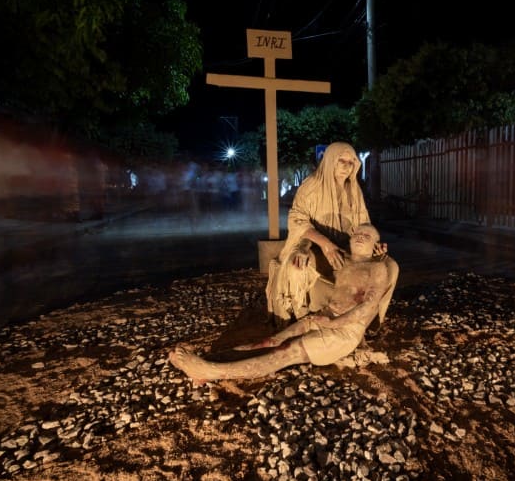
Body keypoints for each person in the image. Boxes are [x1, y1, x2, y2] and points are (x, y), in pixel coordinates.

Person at [169, 224, 391, 383]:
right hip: (322, 317)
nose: (361, 236)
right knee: (272, 341)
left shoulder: (377, 268)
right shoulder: (342, 260)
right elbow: (304, 233)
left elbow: (368, 307)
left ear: (376, 245)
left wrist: (333, 324)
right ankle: (209, 360)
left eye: (368, 236)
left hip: (343, 331)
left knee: (285, 353)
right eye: (358, 233)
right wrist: (304, 251)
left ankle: (211, 371)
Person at [265, 142, 398, 327]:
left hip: (348, 249)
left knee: (390, 266)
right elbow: (297, 220)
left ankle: (371, 320)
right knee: (296, 266)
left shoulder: (353, 189)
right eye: (341, 160)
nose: (346, 166)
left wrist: (371, 243)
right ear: (329, 161)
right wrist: (326, 244)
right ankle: (298, 320)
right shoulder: (311, 185)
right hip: (313, 246)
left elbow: (363, 224)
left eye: (351, 162)